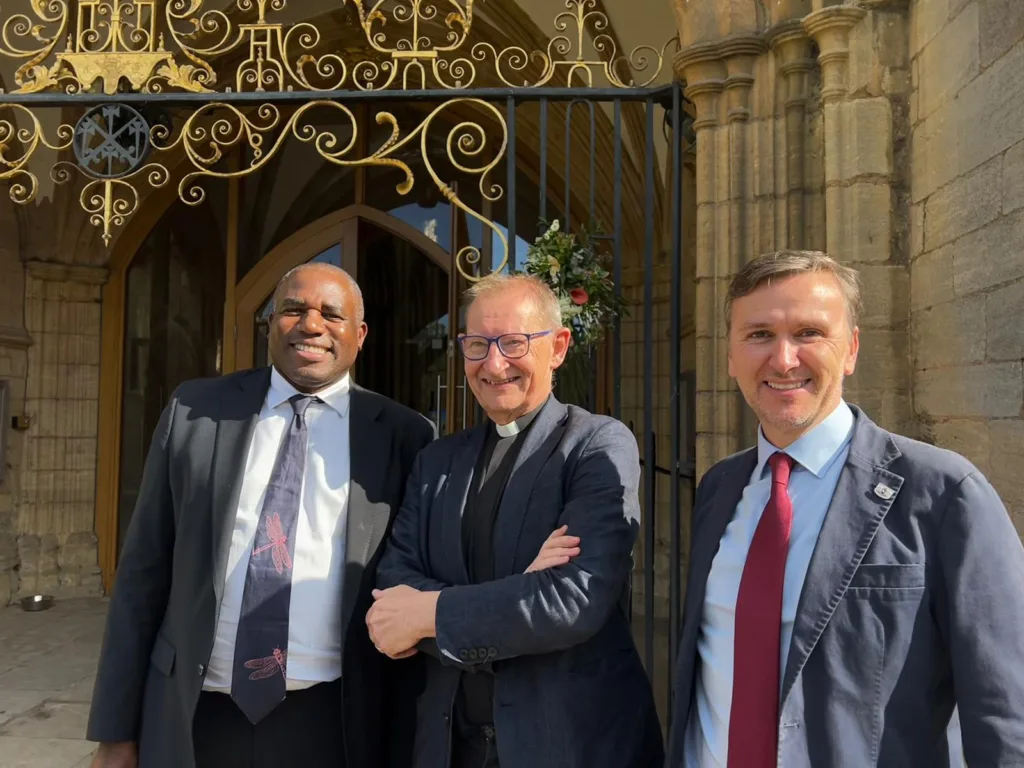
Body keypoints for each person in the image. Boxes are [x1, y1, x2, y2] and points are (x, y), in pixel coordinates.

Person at [666, 251, 1024, 768]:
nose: (784, 359)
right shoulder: (721, 487)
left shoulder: (943, 492)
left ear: (851, 349)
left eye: (809, 333)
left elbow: (1005, 709)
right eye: (759, 334)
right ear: (729, 355)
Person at [87, 263, 434, 768]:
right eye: (293, 310)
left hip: (331, 717)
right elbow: (142, 574)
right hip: (195, 711)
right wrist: (115, 731)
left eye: (331, 315)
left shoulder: (403, 436)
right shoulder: (195, 411)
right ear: (269, 324)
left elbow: (418, 568)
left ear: (359, 335)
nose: (311, 325)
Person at [366, 273, 664, 768]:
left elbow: (572, 600)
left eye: (514, 342)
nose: (494, 363)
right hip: (451, 744)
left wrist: (427, 615)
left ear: (559, 346)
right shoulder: (438, 461)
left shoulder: (595, 445)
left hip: (566, 741)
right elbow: (394, 581)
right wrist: (521, 590)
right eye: (478, 344)